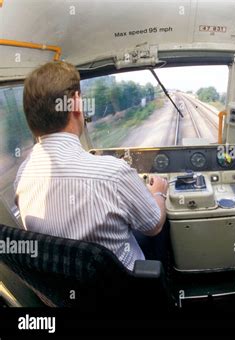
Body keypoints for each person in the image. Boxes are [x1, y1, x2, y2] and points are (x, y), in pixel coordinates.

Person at [14, 61, 168, 271]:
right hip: (123, 286)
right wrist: (158, 192)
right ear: (76, 104)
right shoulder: (113, 173)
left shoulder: (22, 176)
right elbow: (153, 225)